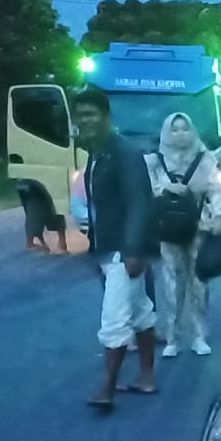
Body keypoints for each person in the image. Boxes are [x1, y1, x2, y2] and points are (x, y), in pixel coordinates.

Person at [72, 87, 159, 410]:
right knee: (140, 312)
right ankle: (146, 377)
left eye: (90, 114)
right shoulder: (98, 152)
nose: (85, 120)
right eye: (80, 115)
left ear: (106, 115)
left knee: (114, 320)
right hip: (109, 248)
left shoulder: (124, 151)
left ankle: (106, 388)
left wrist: (135, 250)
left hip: (125, 250)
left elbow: (140, 203)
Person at [145, 112, 221, 358]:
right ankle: (172, 337)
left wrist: (219, 216)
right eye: (175, 129)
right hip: (167, 229)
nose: (180, 134)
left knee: (199, 283)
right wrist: (166, 188)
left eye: (184, 129)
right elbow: (146, 189)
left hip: (198, 227)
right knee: (171, 284)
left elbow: (216, 190)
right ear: (166, 132)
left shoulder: (205, 159)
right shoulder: (154, 161)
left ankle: (199, 335)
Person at [16, 180, 68, 253]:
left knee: (37, 205)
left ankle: (37, 241)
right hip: (30, 184)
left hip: (26, 182)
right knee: (40, 205)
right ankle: (60, 242)